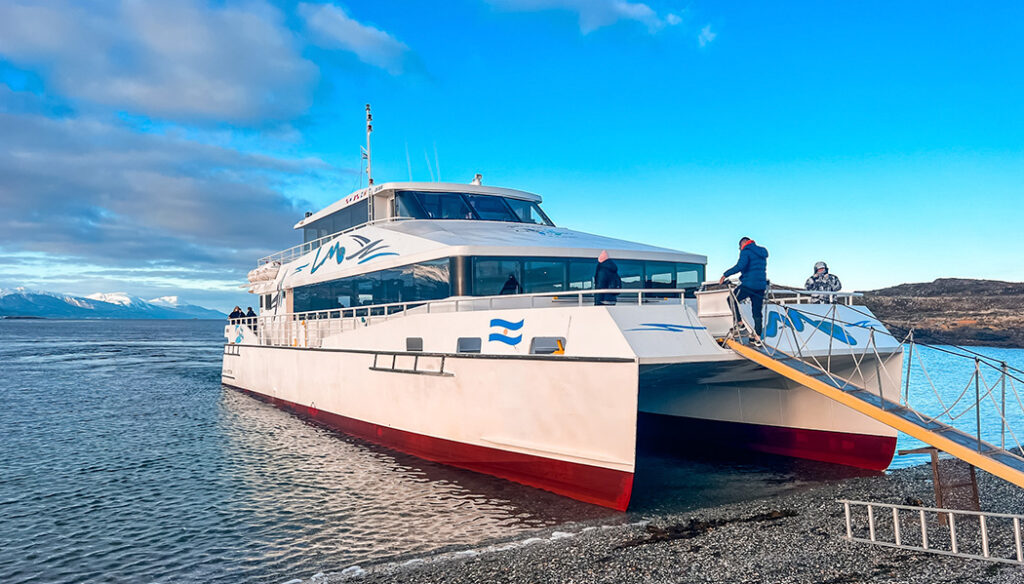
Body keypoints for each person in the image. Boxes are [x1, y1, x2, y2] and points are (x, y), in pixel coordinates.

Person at [718, 237, 769, 339]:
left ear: (743, 244)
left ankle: (740, 324)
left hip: (748, 285)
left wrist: (725, 275)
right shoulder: (762, 252)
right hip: (760, 286)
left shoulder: (746, 251)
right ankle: (758, 337)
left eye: (739, 247)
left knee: (731, 299)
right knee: (757, 311)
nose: (739, 249)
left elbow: (740, 266)